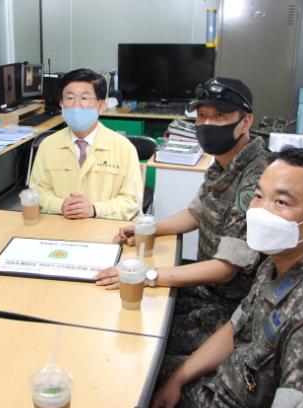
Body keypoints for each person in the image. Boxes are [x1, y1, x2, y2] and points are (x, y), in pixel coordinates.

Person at [146, 148, 303, 408]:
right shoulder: (279, 261)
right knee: (139, 366)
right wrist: (177, 378)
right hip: (221, 386)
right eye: (258, 195)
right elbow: (235, 328)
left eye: (281, 202)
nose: (260, 211)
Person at [96, 77, 272, 355]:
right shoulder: (224, 160)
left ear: (246, 121)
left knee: (139, 341)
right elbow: (197, 212)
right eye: (202, 115)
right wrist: (149, 228)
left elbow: (226, 269)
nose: (207, 123)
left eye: (220, 116)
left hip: (232, 308)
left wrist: (148, 275)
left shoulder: (258, 178)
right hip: (204, 290)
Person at [28, 68, 142, 220]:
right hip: (59, 226)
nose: (76, 106)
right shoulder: (48, 145)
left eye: (84, 98)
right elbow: (36, 193)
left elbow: (132, 200)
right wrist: (60, 205)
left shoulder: (124, 148)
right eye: (70, 98)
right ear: (61, 104)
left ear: (101, 106)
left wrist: (94, 209)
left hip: (104, 228)